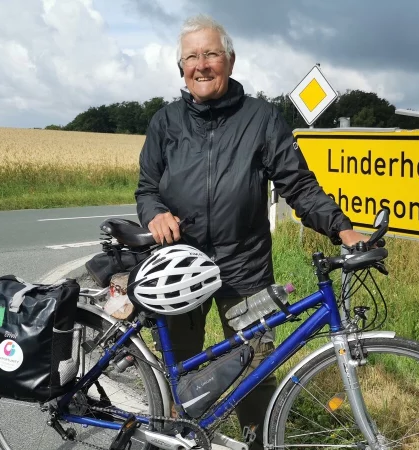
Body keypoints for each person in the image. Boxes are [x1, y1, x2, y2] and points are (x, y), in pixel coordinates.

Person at [134, 13, 367, 449]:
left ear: (230, 60)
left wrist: (342, 229)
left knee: (256, 369)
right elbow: (147, 189)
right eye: (191, 57)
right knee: (179, 370)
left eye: (210, 54)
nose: (201, 65)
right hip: (180, 265)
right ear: (181, 68)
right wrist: (155, 214)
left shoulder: (261, 118)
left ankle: (256, 442)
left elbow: (298, 185)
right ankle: (172, 437)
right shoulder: (165, 122)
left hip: (245, 269)